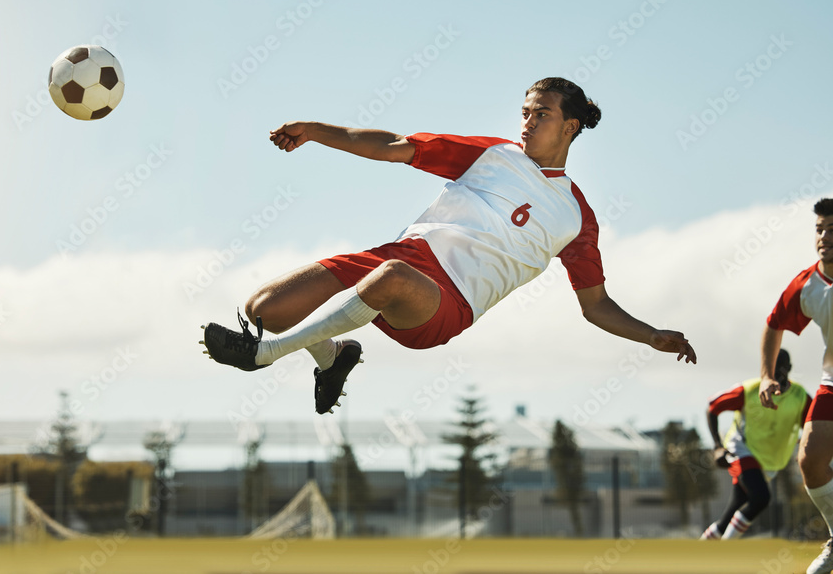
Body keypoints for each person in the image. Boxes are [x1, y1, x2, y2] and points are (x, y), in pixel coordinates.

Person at [200, 77, 697, 414]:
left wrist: (650, 335)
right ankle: (332, 359)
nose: (526, 122)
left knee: (389, 278)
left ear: (570, 126)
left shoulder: (575, 216)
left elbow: (596, 305)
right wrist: (315, 131)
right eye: (524, 112)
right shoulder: (493, 154)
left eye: (540, 114)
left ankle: (264, 355)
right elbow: (391, 145)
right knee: (264, 306)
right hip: (395, 259)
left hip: (444, 302)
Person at [760, 198, 833, 574]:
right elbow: (774, 325)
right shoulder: (807, 284)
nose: (825, 237)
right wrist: (768, 375)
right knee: (810, 459)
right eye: (820, 230)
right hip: (832, 383)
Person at [700, 349, 811, 540]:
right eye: (769, 366)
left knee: (733, 510)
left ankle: (700, 551)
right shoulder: (749, 390)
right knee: (760, 498)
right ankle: (724, 555)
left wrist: (808, 442)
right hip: (741, 449)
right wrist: (718, 447)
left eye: (780, 367)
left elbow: (812, 426)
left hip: (768, 461)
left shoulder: (800, 397)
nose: (774, 372)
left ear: (789, 369)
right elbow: (712, 408)